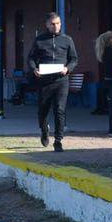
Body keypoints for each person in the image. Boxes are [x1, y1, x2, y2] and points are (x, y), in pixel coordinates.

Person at [27, 11, 78, 151]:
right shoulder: (40, 40)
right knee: (43, 110)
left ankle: (58, 140)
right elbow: (31, 58)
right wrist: (34, 69)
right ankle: (44, 131)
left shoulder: (67, 40)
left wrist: (68, 68)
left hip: (61, 80)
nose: (56, 26)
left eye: (58, 23)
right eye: (53, 24)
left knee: (60, 110)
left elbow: (74, 59)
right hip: (44, 81)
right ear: (47, 25)